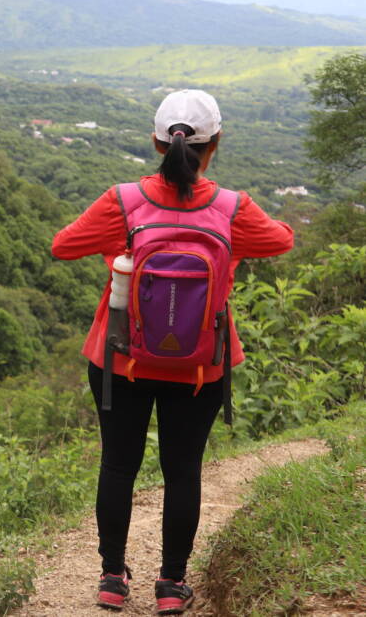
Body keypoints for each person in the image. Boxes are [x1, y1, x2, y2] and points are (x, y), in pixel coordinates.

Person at [50, 89, 294, 614]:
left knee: (118, 465)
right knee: (183, 470)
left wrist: (122, 252)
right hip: (202, 365)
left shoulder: (122, 201)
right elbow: (281, 241)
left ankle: (112, 579)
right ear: (215, 144)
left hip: (121, 356)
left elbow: (62, 245)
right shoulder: (233, 208)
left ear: (157, 143)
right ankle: (170, 587)